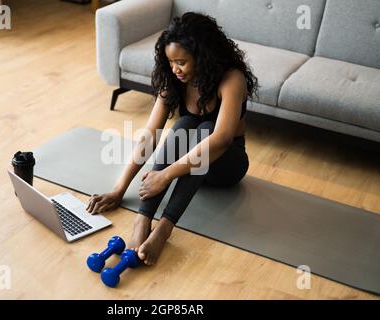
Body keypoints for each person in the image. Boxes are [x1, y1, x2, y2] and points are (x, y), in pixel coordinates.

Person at [86, 12, 259, 265]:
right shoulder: (173, 80)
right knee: (187, 123)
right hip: (192, 167)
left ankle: (164, 228)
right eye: (170, 62)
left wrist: (165, 175)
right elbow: (149, 137)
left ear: (203, 56)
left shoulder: (232, 78)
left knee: (205, 130)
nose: (175, 69)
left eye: (182, 62)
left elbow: (221, 139)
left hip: (226, 165)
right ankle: (142, 220)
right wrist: (119, 189)